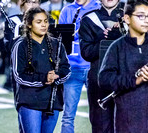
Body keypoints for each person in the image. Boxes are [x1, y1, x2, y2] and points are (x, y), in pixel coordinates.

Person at [11, 6, 71, 133]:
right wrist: (44, 78)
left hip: (53, 101)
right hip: (30, 101)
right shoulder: (20, 45)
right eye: (38, 22)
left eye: (45, 21)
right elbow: (18, 75)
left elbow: (66, 68)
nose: (43, 25)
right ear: (29, 25)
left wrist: (57, 76)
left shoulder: (57, 43)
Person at [98, 0, 148, 132]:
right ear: (127, 18)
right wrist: (134, 80)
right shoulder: (116, 47)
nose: (147, 20)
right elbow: (104, 79)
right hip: (127, 120)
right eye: (141, 16)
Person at [78, 0, 125, 132]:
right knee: (100, 125)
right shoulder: (89, 19)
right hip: (98, 79)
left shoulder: (131, 17)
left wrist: (122, 36)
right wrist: (104, 41)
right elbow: (86, 53)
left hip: (126, 79)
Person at [58, 0, 100, 132]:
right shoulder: (67, 10)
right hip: (72, 67)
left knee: (99, 113)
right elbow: (61, 40)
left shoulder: (98, 6)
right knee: (68, 115)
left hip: (93, 66)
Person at [3, 0, 40, 91]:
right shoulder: (13, 21)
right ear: (22, 5)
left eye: (35, 2)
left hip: (42, 67)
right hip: (21, 68)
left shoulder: (47, 20)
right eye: (29, 2)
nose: (32, 5)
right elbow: (9, 47)